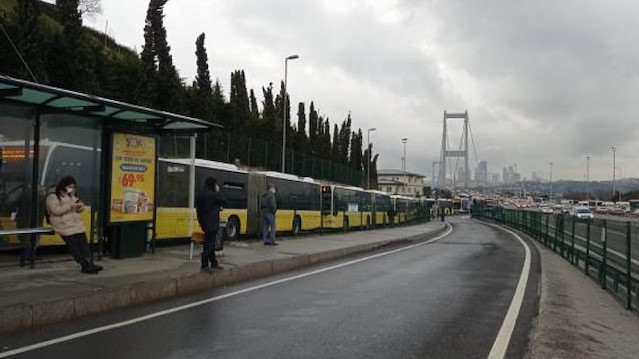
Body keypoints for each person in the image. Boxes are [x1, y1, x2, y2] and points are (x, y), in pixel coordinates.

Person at [46, 176, 103, 274]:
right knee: (74, 246)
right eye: (69, 186)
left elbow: (80, 208)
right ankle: (83, 264)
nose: (71, 189)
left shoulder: (71, 196)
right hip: (64, 225)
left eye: (73, 187)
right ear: (64, 185)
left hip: (75, 224)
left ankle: (89, 263)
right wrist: (70, 206)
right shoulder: (53, 196)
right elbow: (55, 210)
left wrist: (80, 206)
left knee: (84, 244)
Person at [195, 177, 227, 272]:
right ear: (213, 184)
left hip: (204, 222)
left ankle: (213, 263)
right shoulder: (213, 195)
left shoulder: (201, 194)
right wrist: (217, 191)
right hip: (212, 222)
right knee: (209, 244)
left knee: (210, 243)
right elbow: (224, 200)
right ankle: (204, 265)